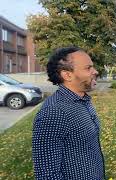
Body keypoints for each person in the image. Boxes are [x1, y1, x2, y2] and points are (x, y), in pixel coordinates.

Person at [32, 47, 106, 179]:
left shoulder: (83, 99)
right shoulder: (53, 112)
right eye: (88, 68)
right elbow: (47, 175)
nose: (95, 71)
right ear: (67, 75)